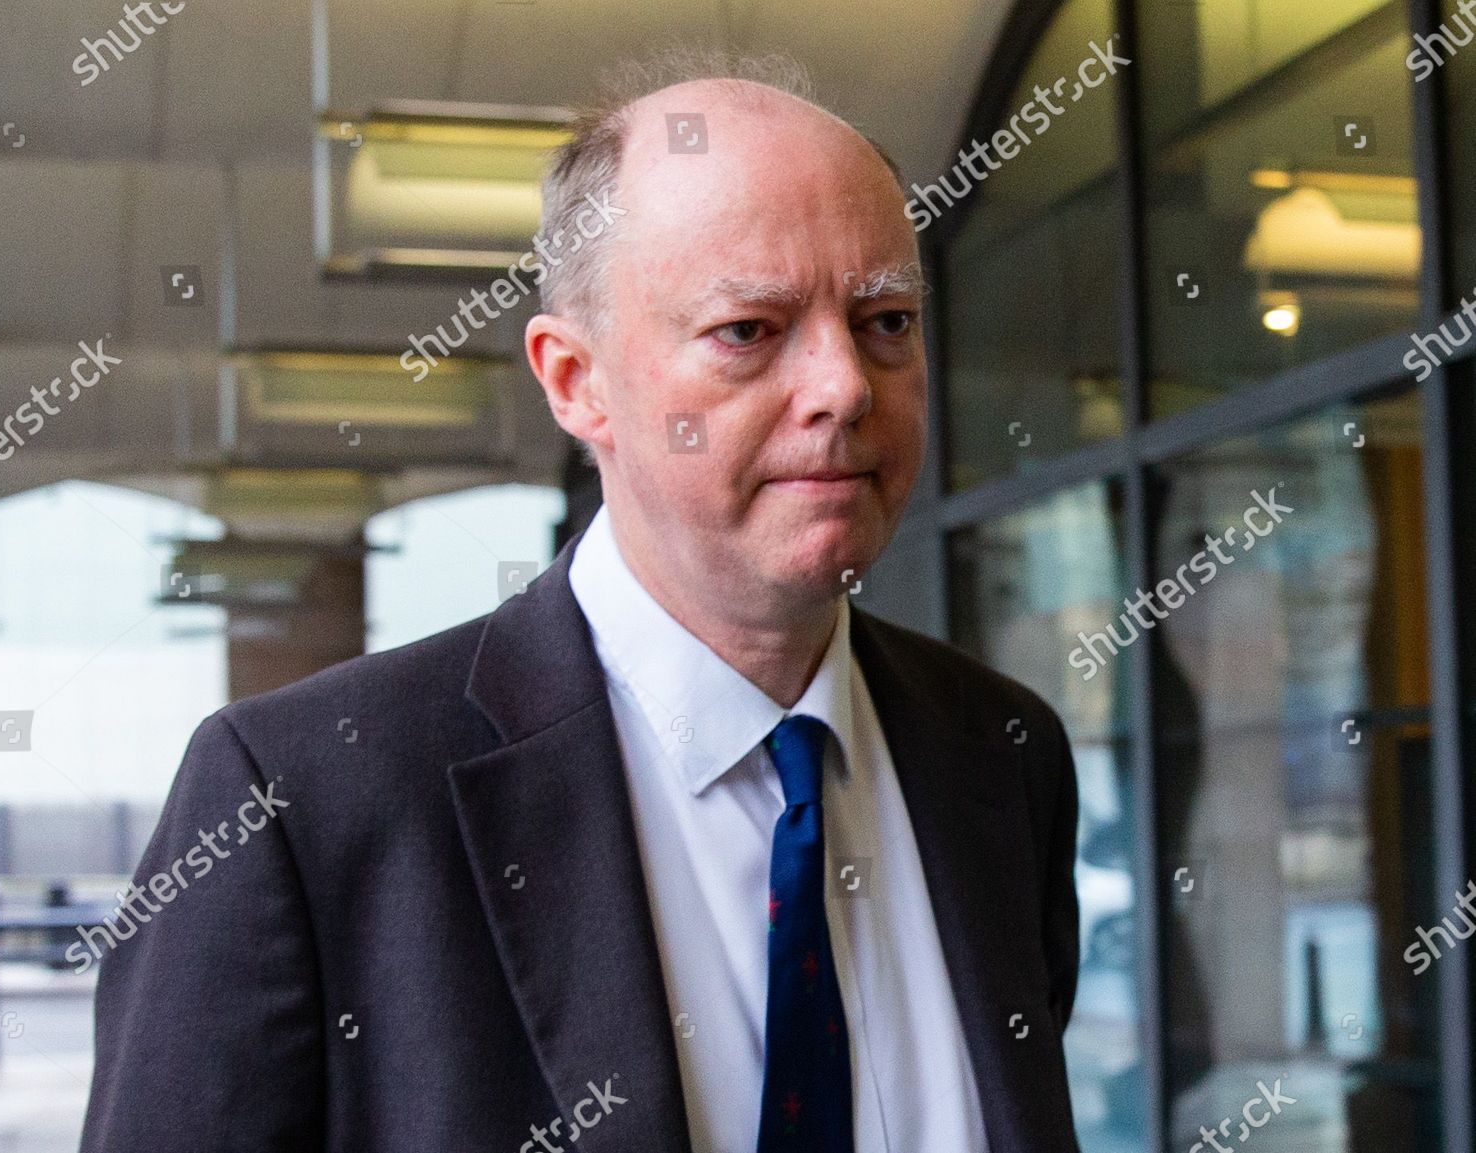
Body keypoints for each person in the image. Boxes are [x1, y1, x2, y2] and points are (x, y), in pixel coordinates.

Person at [81, 49, 1081, 1153]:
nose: (844, 385)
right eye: (748, 330)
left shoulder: (1002, 754)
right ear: (576, 380)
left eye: (885, 319)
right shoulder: (302, 804)